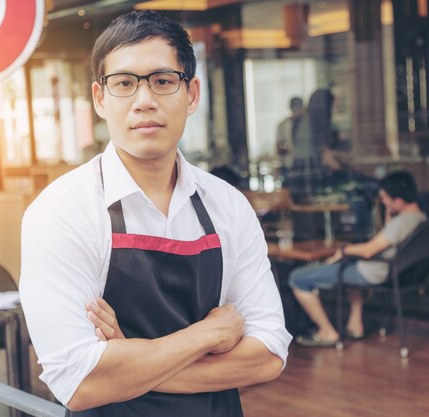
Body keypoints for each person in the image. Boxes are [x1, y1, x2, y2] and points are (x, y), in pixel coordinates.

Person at [19, 11, 291, 416]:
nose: (144, 101)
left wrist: (128, 358)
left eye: (163, 81)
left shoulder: (227, 204)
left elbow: (268, 354)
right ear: (99, 98)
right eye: (124, 84)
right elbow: (78, 381)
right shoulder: (62, 210)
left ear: (192, 94)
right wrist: (207, 334)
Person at [288, 171, 426, 346]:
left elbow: (369, 251)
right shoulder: (420, 218)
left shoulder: (401, 223)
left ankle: (327, 332)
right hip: (389, 269)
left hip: (373, 271)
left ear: (398, 201)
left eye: (384, 198)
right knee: (351, 260)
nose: (382, 202)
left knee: (298, 278)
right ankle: (355, 325)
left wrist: (344, 250)